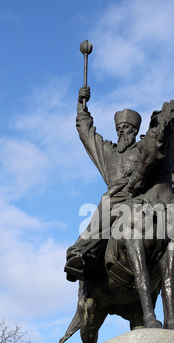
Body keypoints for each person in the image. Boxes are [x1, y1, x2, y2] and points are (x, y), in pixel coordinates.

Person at [64, 86, 143, 282]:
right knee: (105, 209)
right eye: (119, 128)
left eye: (126, 128)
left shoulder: (143, 149)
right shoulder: (107, 150)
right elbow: (86, 132)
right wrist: (82, 106)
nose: (121, 131)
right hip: (116, 197)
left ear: (135, 130)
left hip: (142, 196)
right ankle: (77, 254)